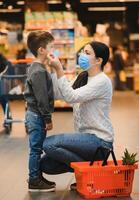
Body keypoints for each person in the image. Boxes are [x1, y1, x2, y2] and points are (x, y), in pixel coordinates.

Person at [43, 41, 114, 190]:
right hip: (84, 140)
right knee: (44, 165)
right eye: (82, 51)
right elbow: (60, 93)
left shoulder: (102, 81)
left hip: (99, 142)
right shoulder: (82, 77)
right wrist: (53, 70)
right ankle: (89, 169)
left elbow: (71, 97)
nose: (82, 55)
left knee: (49, 144)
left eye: (87, 53)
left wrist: (60, 70)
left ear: (99, 60)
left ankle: (88, 173)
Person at [24, 31, 56, 192]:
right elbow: (42, 98)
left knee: (37, 147)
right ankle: (34, 180)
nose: (53, 50)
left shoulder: (37, 67)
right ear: (41, 50)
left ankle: (37, 175)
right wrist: (47, 118)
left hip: (34, 114)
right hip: (37, 115)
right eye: (51, 47)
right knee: (36, 149)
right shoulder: (39, 71)